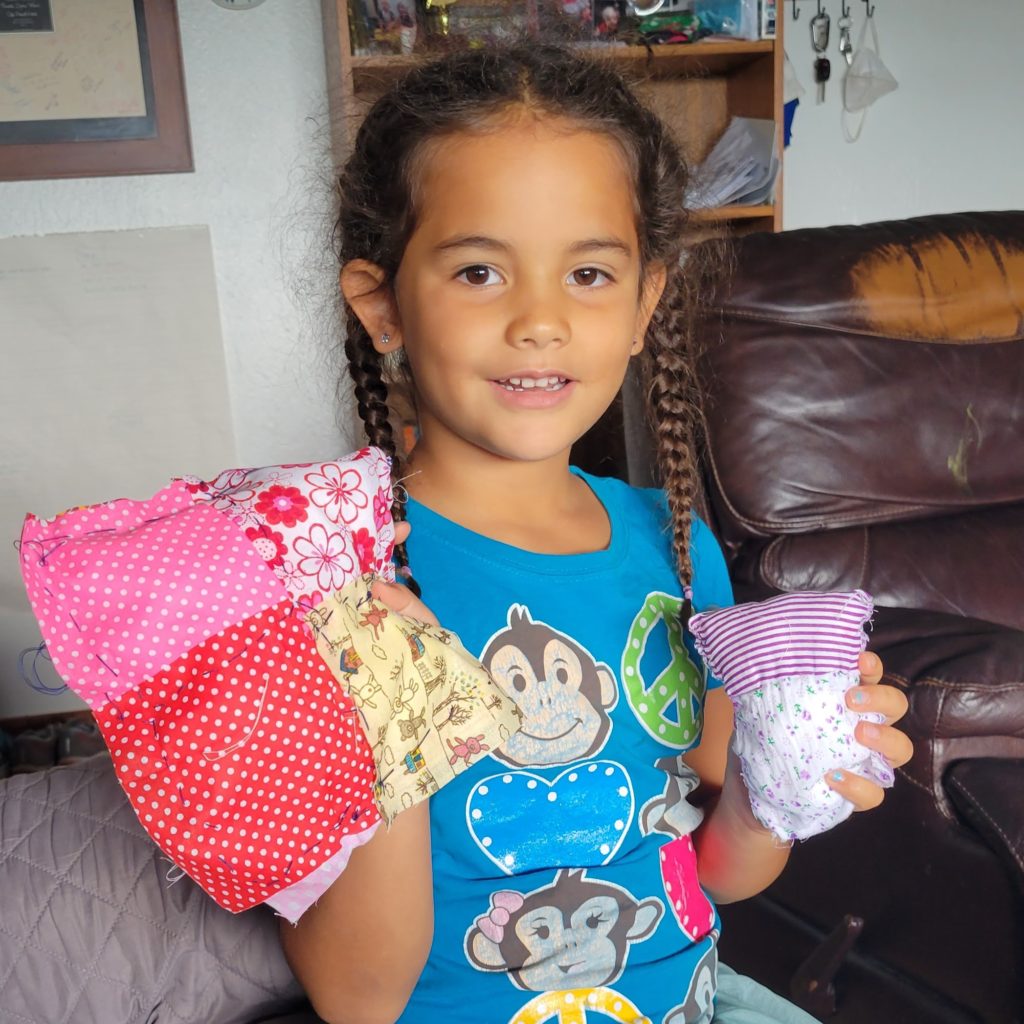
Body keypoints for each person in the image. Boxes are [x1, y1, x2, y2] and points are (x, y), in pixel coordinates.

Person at [280, 42, 912, 1024]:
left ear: (642, 302)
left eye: (587, 272)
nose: (539, 320)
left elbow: (719, 870)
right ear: (382, 305)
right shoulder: (330, 583)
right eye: (480, 270)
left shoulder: (673, 541)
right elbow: (353, 995)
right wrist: (389, 715)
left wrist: (778, 786)